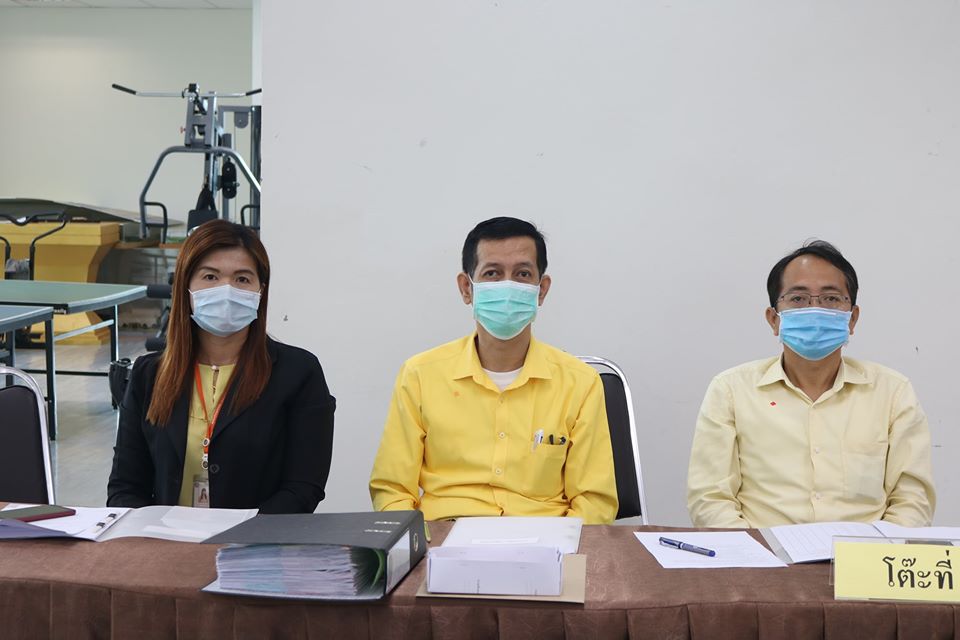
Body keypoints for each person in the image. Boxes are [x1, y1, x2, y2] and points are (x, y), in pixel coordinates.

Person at [369, 217, 618, 524]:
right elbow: (392, 491)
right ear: (466, 288)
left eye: (523, 274)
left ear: (541, 290)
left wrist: (561, 545)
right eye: (492, 273)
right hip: (445, 535)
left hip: (544, 537)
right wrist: (422, 546)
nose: (507, 286)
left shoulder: (581, 383)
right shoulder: (419, 375)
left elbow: (594, 501)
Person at [687, 240, 935, 528]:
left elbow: (912, 500)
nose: (815, 310)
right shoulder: (730, 390)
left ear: (852, 319)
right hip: (761, 550)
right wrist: (754, 551)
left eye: (831, 299)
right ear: (774, 319)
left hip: (864, 551)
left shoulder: (892, 392)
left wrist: (875, 550)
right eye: (798, 299)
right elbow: (710, 498)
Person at [108, 220, 335, 513]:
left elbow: (303, 489)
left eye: (242, 279)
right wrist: (152, 534)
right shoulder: (148, 374)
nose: (226, 289)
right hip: (162, 537)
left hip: (257, 539)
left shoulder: (299, 373)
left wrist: (242, 533)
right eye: (210, 276)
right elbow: (125, 488)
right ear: (186, 286)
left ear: (260, 291)